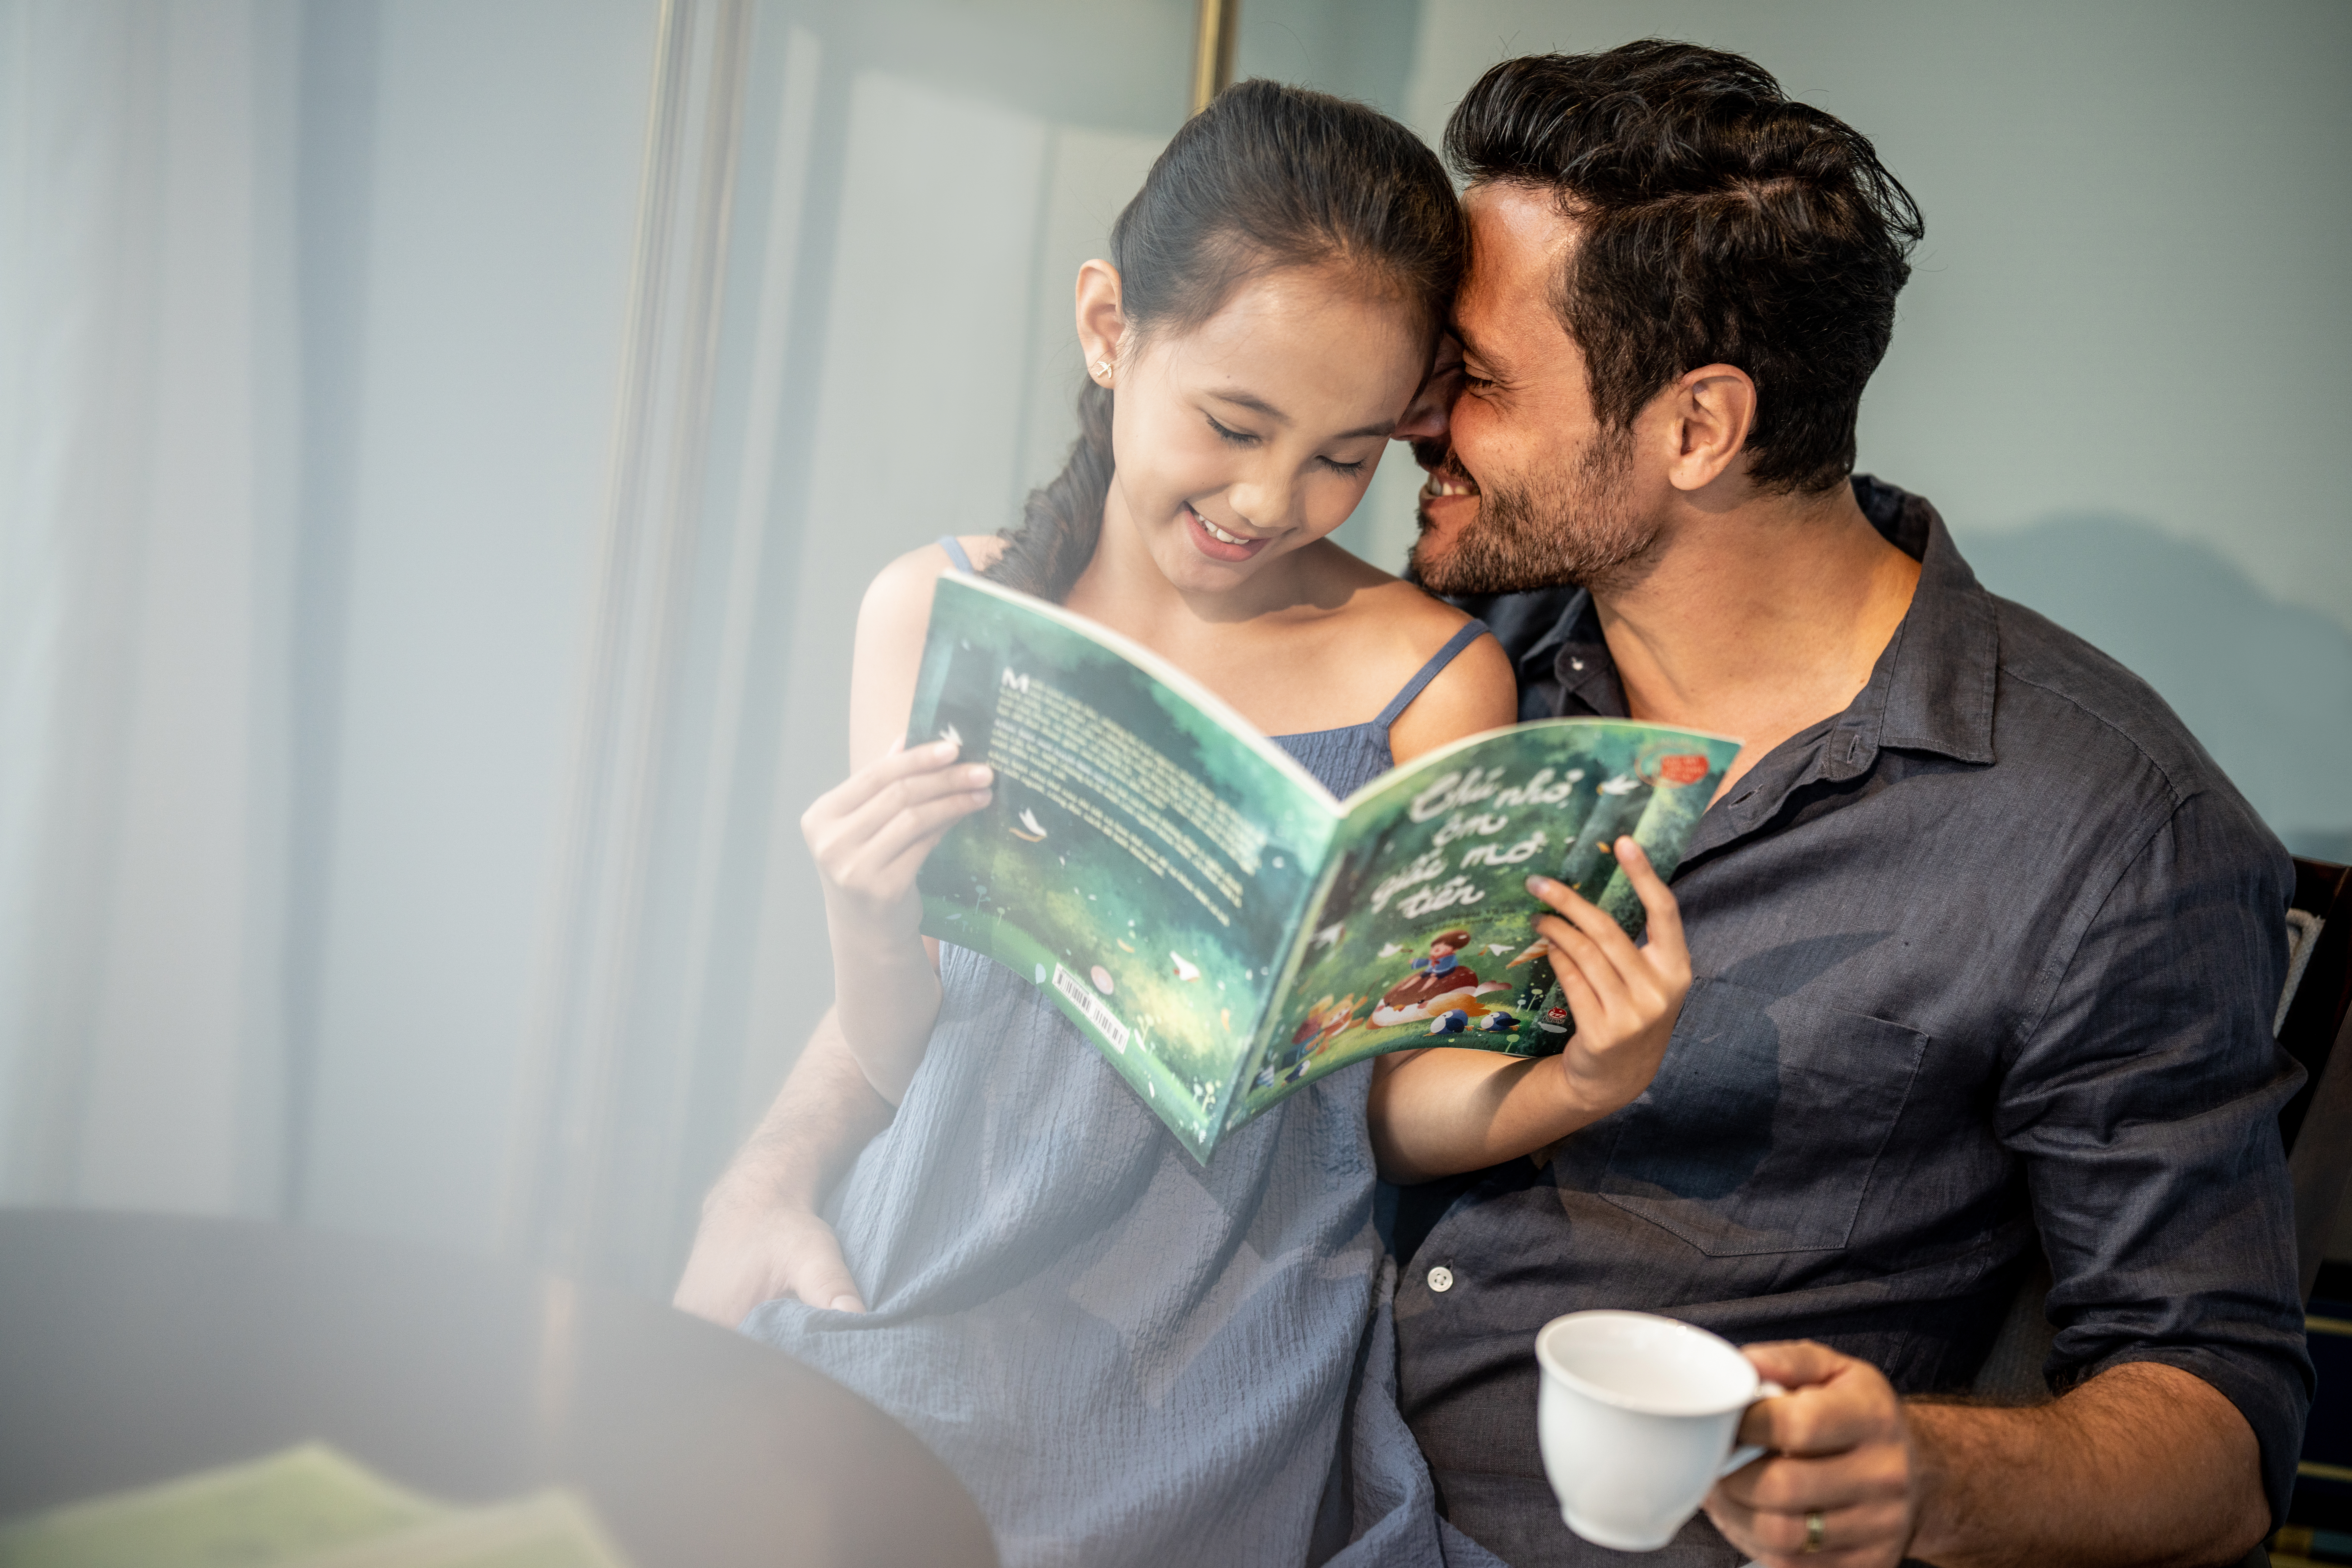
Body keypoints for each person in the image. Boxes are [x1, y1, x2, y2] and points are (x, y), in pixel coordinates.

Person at [686, 81, 1700, 1568]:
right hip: (935, 1281)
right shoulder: (935, 610)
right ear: (1111, 329)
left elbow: (1381, 1108)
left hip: (1219, 1346)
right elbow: (897, 1045)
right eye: (1233, 423)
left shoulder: (1432, 680)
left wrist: (1577, 1083)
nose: (1270, 499)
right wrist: (861, 922)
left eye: (1347, 455)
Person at [1385, 43, 2310, 1568]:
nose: (1421, 413)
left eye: (1478, 380)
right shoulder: (1457, 674)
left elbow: (2219, 1436)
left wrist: (1930, 1476)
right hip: (1280, 1473)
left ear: (1698, 429)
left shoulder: (2104, 833)